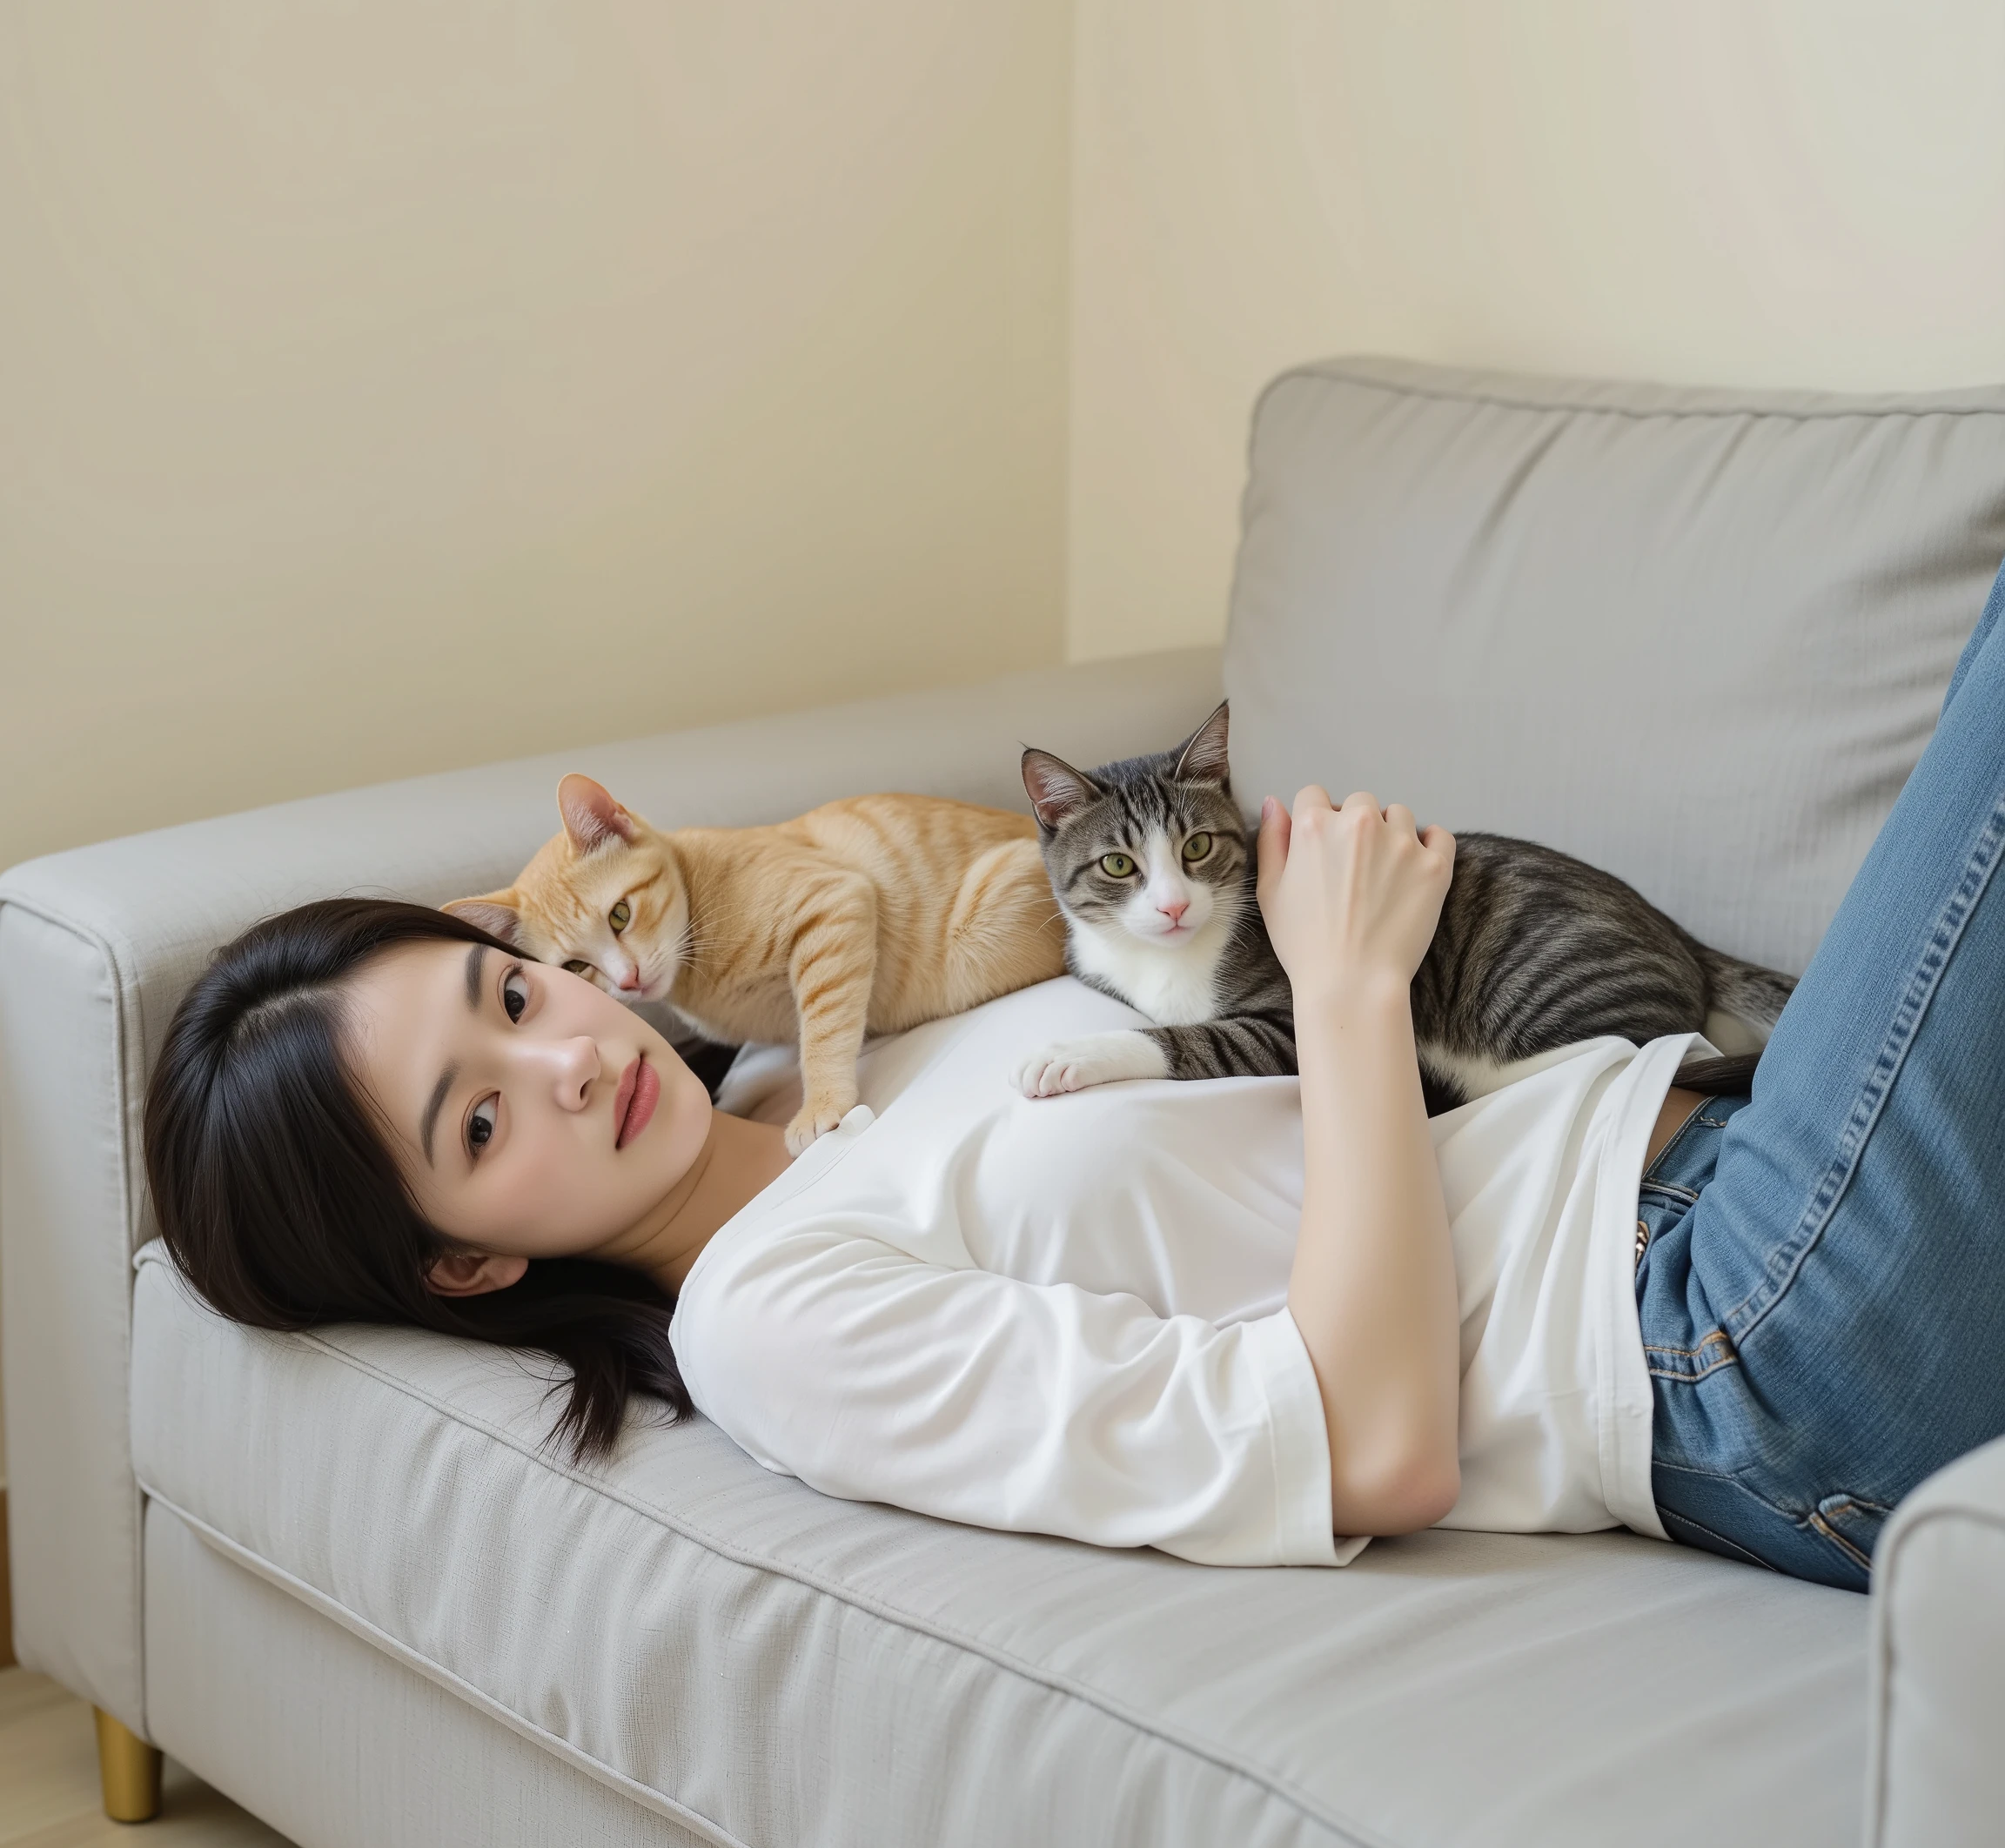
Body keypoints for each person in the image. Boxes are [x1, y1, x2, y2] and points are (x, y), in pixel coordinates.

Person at [144, 559, 2005, 1588]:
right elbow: (1378, 1447)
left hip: (1730, 1133)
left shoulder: (822, 1071)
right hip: (1720, 1329)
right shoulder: (775, 1322)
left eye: (515, 992)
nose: (569, 1056)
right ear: (463, 1263)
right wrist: (1354, 991)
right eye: (477, 1120)